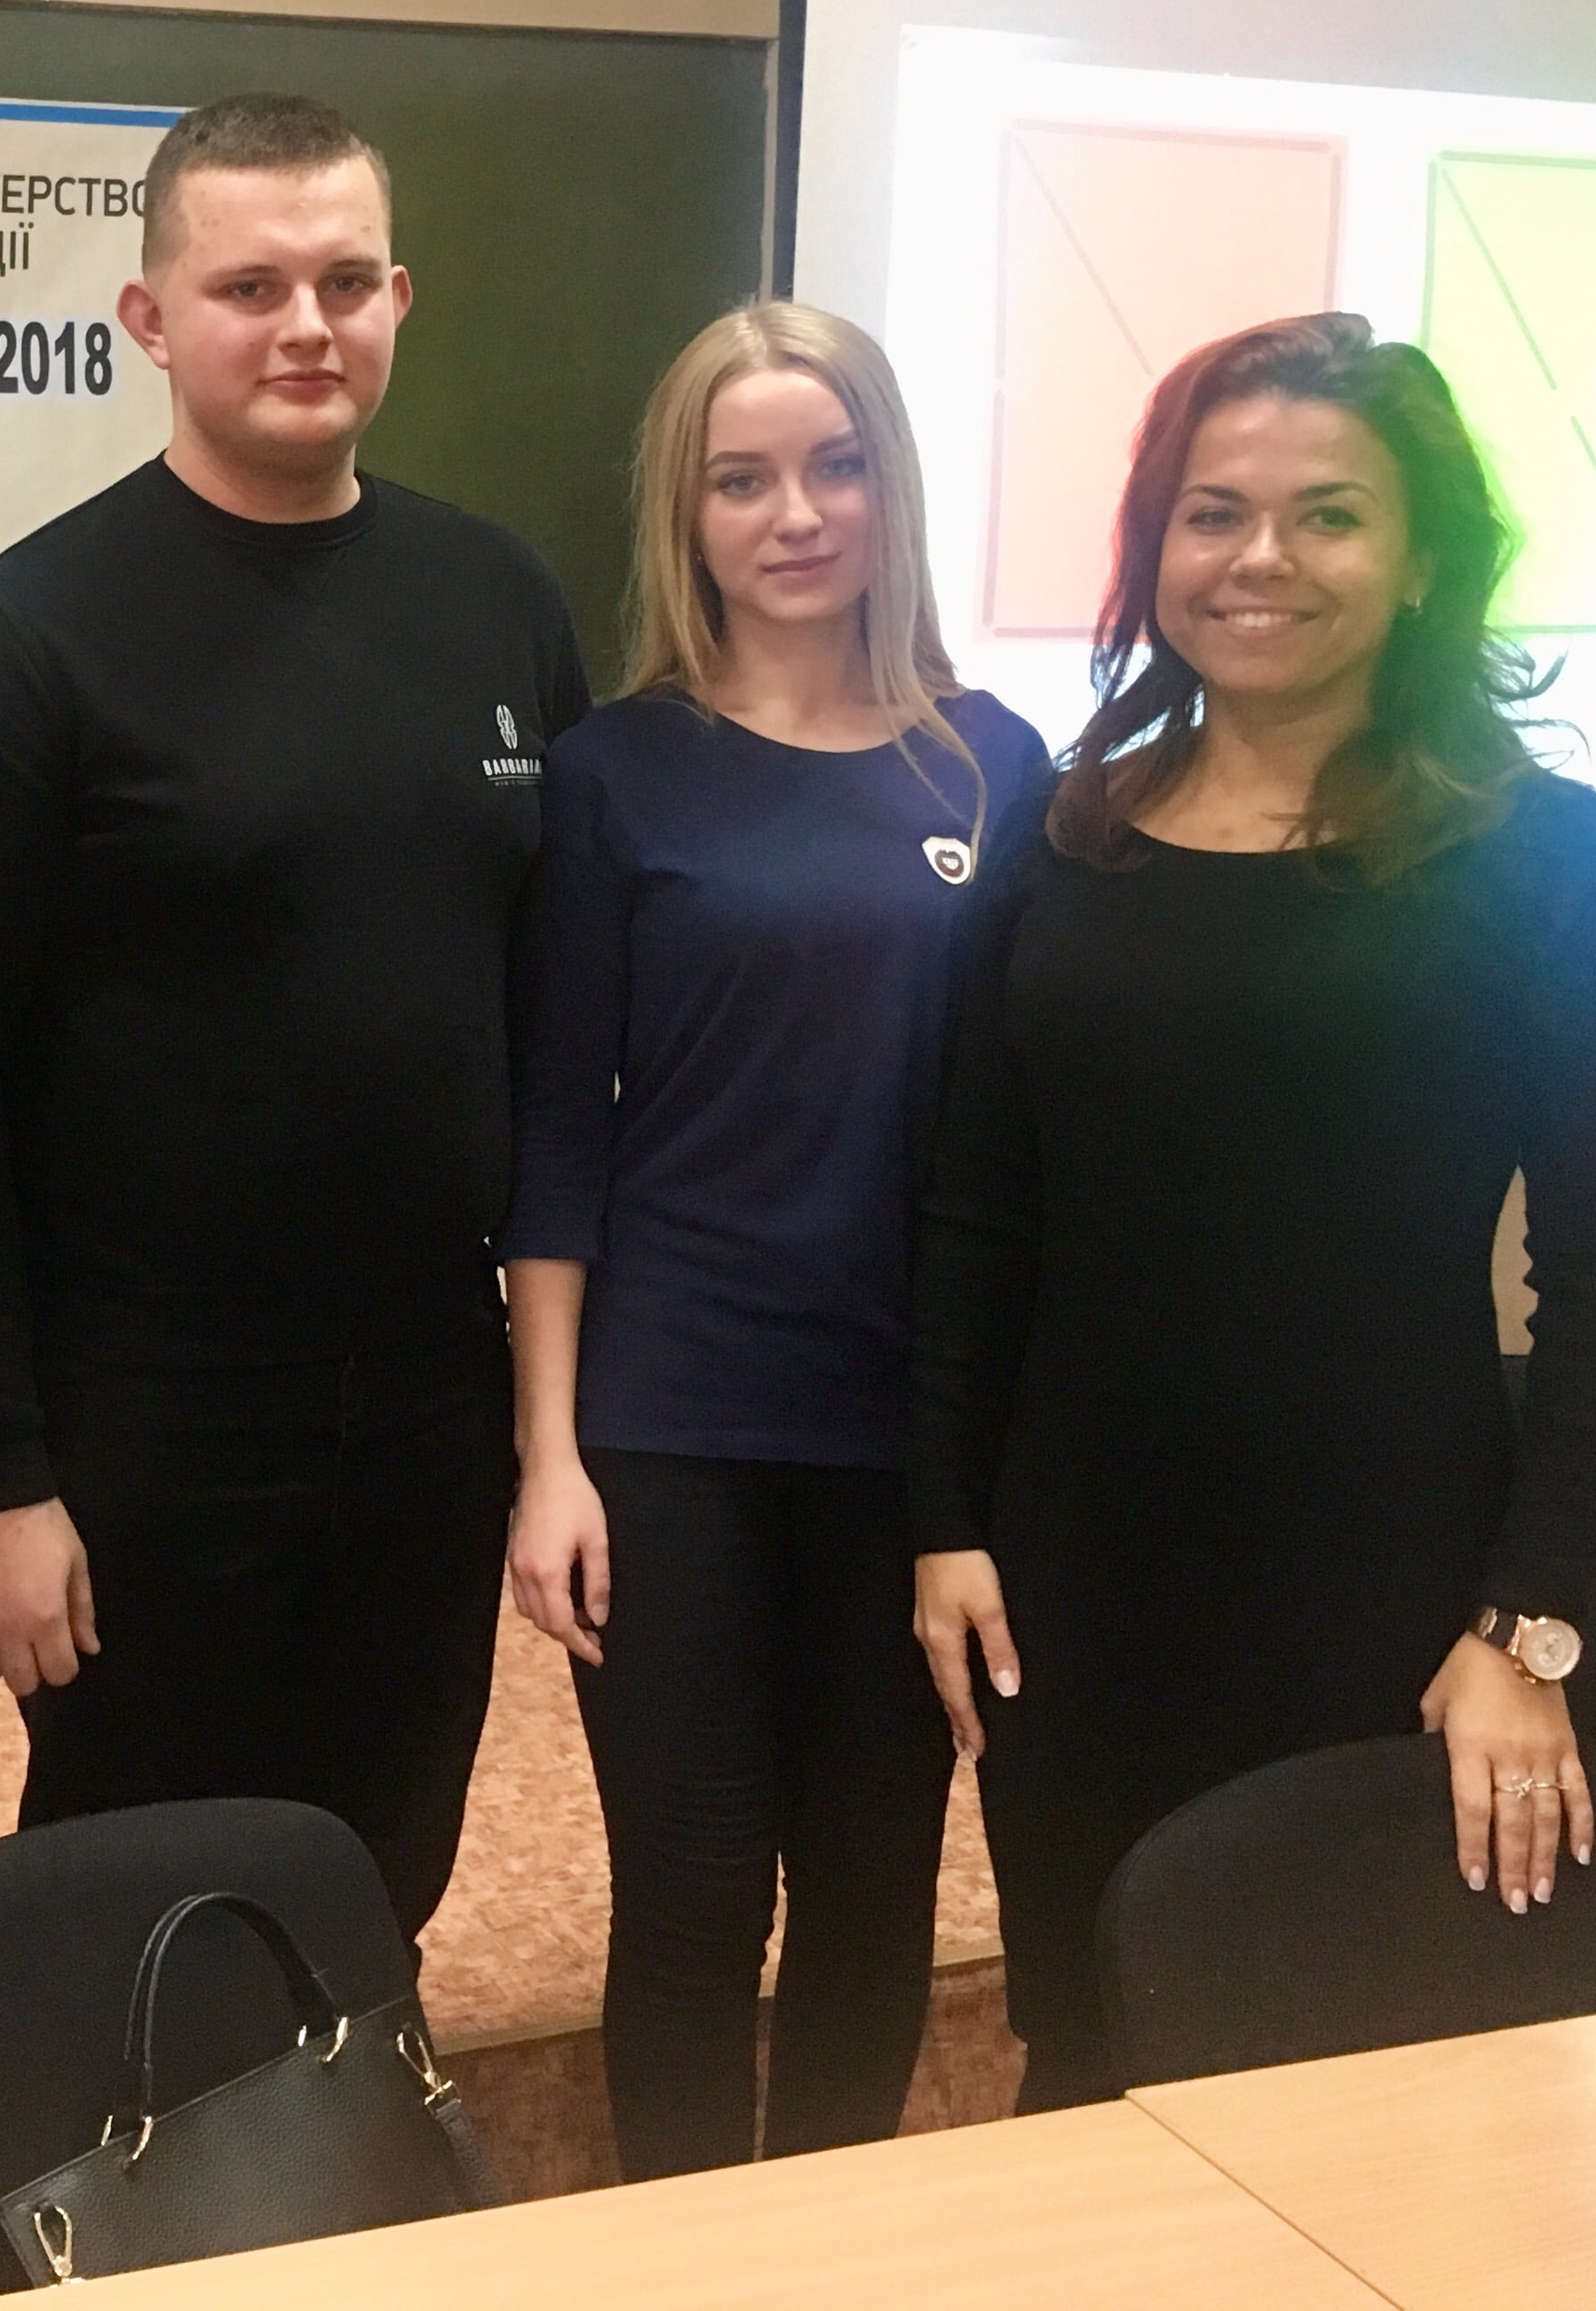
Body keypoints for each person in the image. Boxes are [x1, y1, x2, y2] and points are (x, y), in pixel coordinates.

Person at [905, 312, 1596, 2110]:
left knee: (1358, 2074)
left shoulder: (1548, 862)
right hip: (1081, 1578)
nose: (1260, 557)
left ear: (1421, 562)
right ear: (1155, 551)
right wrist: (944, 1518)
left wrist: (1526, 1631)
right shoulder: (1069, 837)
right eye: (1214, 513)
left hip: (1392, 1585)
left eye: (1328, 514)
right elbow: (977, 1213)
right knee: (1090, 2041)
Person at [0, 93, 593, 1939]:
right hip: (146, 1404)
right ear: (149, 318)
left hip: (430, 1392)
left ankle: (345, 2120)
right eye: (250, 287)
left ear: (400, 301)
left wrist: (545, 1426)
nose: (306, 326)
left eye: (346, 282)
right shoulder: (30, 638)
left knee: (384, 1867)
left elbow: (555, 1013)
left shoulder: (499, 600)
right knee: (144, 1896)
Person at [501, 305, 1051, 2178]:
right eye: (742, 480)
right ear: (690, 514)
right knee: (693, 1887)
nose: (795, 514)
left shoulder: (996, 767)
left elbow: (1024, 1132)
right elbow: (559, 1135)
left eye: (835, 466)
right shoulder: (617, 772)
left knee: (877, 1888)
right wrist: (550, 1457)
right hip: (671, 1426)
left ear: (892, 485)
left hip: (913, 1436)